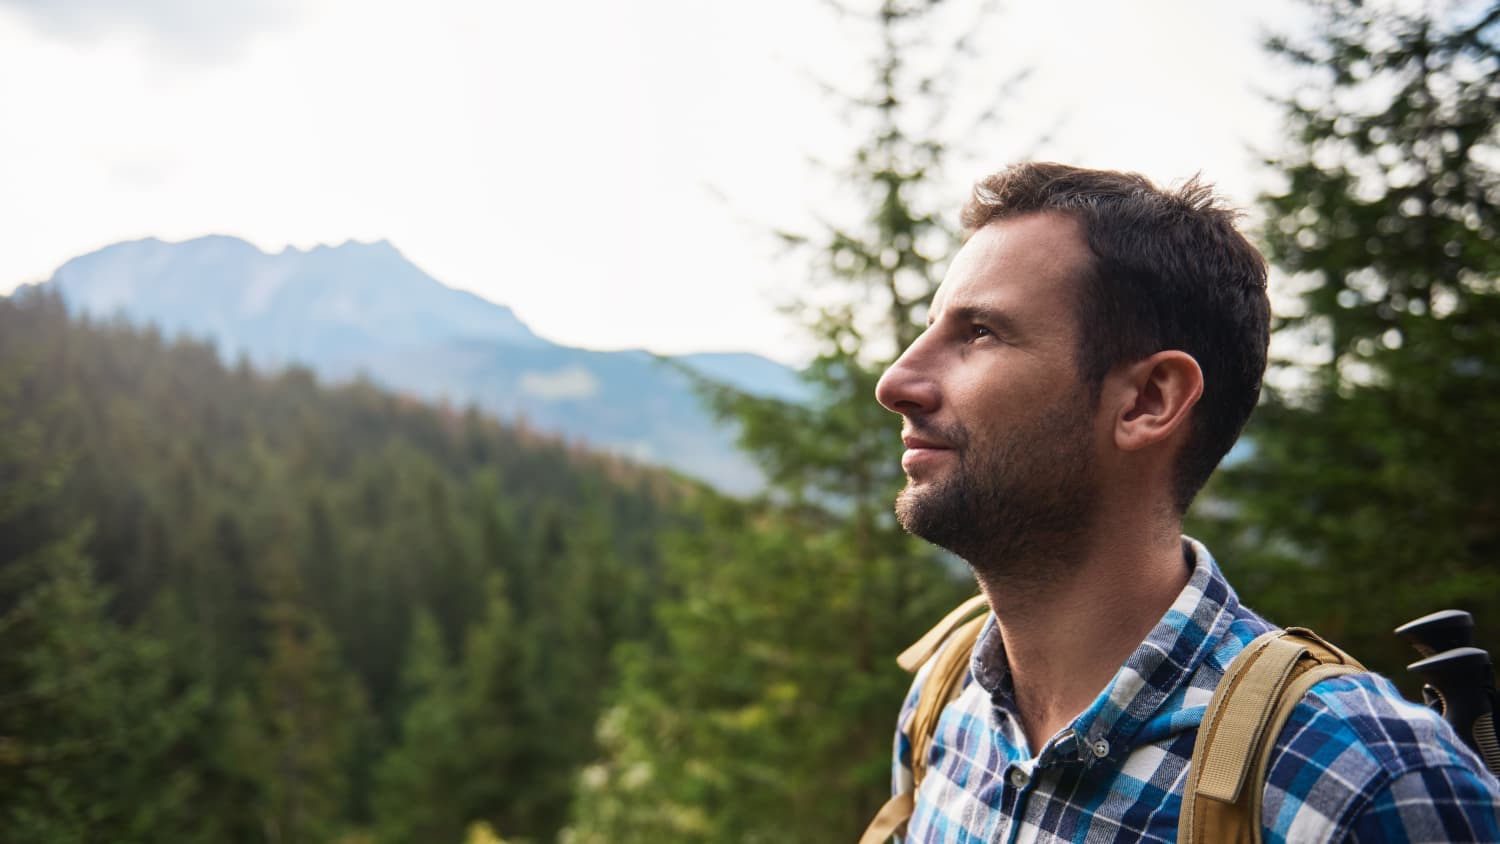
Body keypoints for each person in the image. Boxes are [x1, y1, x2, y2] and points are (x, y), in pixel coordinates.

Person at [873, 162, 1500, 842]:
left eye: (980, 333)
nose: (897, 380)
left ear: (1149, 400)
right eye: (933, 328)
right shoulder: (945, 700)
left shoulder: (1367, 782)